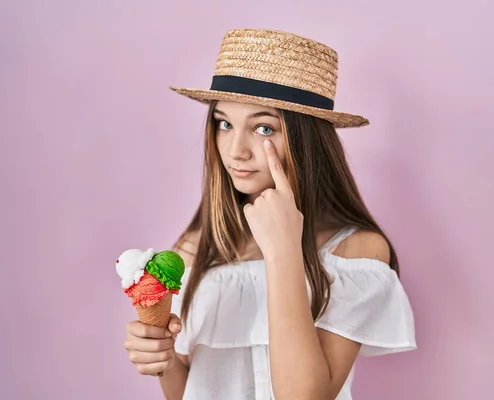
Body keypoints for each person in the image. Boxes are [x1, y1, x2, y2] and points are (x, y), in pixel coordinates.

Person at [123, 28, 416, 400]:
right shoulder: (195, 248)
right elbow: (190, 392)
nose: (236, 150)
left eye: (264, 128)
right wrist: (163, 360)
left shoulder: (356, 251)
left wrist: (283, 251)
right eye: (224, 124)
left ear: (306, 141)